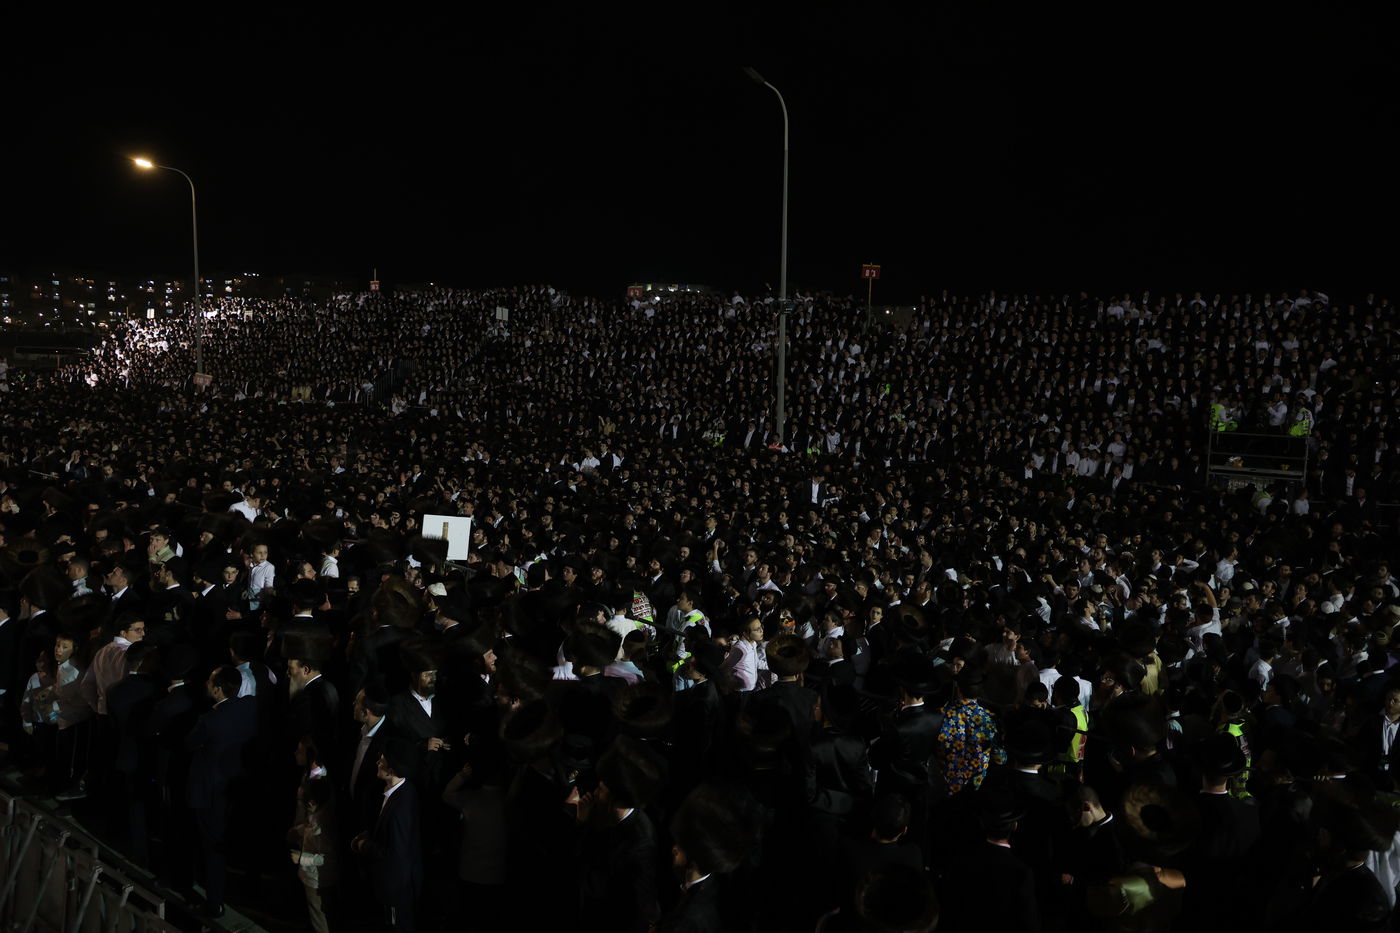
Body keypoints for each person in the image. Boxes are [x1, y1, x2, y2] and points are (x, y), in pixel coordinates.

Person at [185, 665, 259, 918]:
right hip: (238, 786)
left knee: (213, 847)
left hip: (212, 792)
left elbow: (189, 743)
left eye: (209, 681)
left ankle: (214, 902)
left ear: (217, 690)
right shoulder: (250, 706)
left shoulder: (209, 721)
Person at [353, 738, 422, 933]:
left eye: (382, 760)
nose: (378, 762)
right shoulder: (400, 791)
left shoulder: (401, 807)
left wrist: (364, 845)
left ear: (392, 768)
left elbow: (395, 854)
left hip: (396, 890)